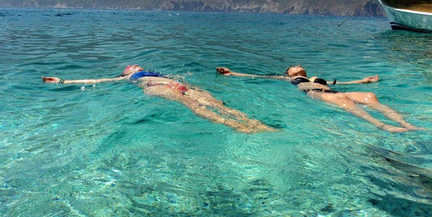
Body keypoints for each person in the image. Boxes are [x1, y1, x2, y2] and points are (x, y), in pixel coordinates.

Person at [43, 64, 276, 134]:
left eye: (135, 65)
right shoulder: (131, 77)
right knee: (191, 103)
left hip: (175, 83)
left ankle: (254, 123)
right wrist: (63, 81)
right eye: (130, 67)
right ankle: (235, 126)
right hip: (156, 88)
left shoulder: (153, 71)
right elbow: (99, 80)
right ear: (126, 72)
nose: (134, 66)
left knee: (216, 102)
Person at [216, 65, 422, 133]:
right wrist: (233, 73)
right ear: (289, 73)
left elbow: (341, 84)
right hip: (315, 94)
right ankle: (383, 126)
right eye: (293, 66)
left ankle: (403, 122)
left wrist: (364, 81)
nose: (297, 65)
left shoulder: (317, 77)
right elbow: (258, 77)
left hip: (330, 90)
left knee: (370, 96)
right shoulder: (292, 79)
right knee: (344, 101)